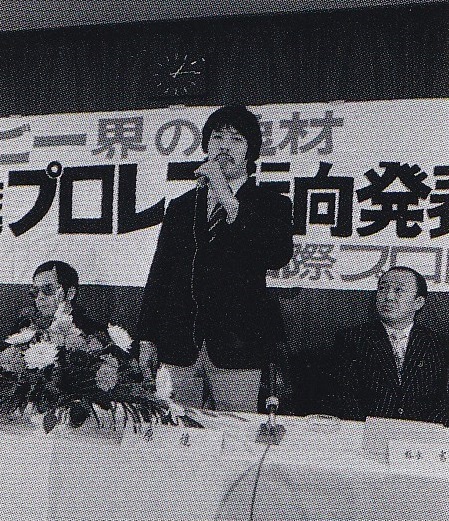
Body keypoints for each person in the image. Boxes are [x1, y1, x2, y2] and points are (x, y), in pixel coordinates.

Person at [137, 105, 293, 412]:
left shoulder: (272, 204)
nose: (224, 146)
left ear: (250, 151)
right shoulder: (181, 206)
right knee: (176, 430)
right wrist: (146, 337)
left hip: (238, 347)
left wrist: (227, 198)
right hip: (179, 345)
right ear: (207, 145)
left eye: (236, 139)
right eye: (217, 137)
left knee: (235, 434)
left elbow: (276, 255)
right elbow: (160, 273)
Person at [329, 266, 449, 425]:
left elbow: (444, 401)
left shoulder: (438, 344)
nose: (388, 297)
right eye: (383, 289)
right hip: (367, 431)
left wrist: (423, 432)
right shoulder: (352, 339)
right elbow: (345, 396)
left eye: (399, 290)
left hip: (422, 433)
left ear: (418, 302)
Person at [14, 260, 105, 335]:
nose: (39, 297)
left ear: (70, 293)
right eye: (35, 291)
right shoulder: (24, 326)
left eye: (48, 289)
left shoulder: (93, 330)